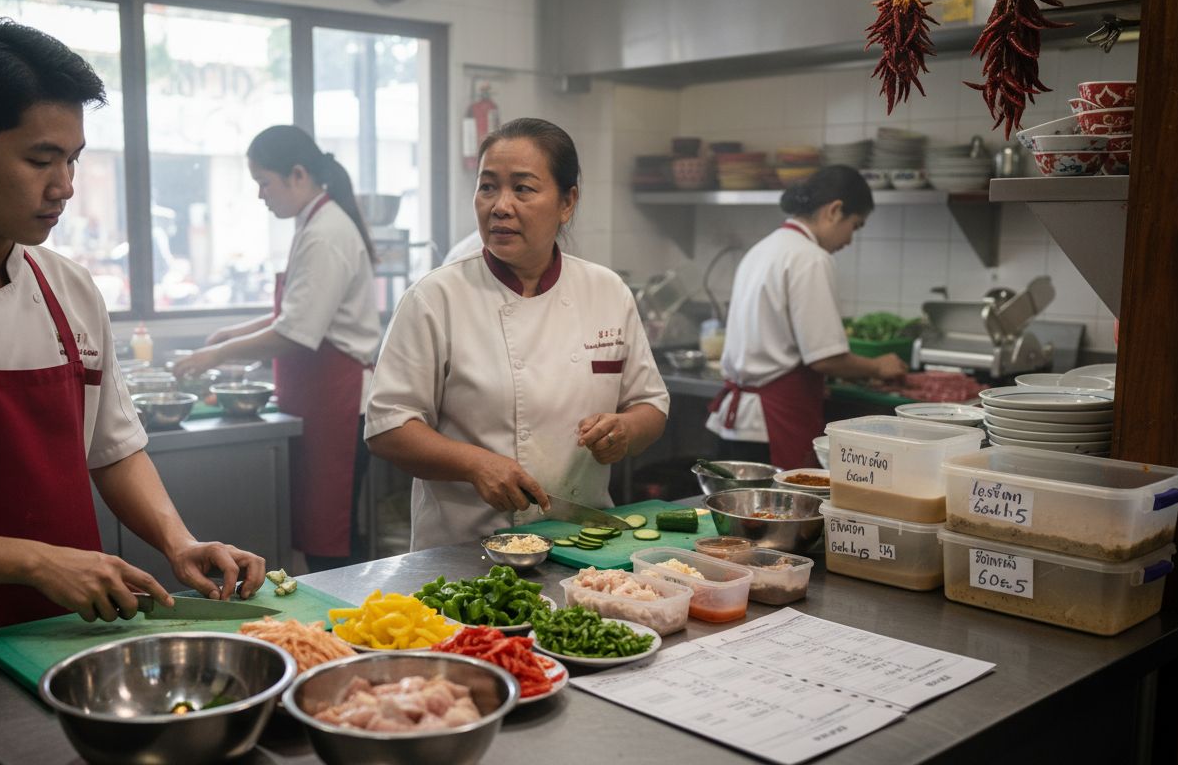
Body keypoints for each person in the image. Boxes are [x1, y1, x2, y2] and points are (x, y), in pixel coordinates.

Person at [0, 20, 266, 761]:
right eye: (40, 159)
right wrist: (35, 560)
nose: (65, 188)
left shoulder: (70, 287)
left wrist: (178, 543)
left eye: (74, 160)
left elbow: (113, 448)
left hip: (77, 643)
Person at [364, 117, 670, 550]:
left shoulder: (606, 291)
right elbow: (387, 427)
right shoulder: (435, 297)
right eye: (488, 187)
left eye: (522, 188)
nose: (500, 205)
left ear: (567, 202)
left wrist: (625, 430)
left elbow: (650, 406)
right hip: (464, 550)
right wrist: (476, 464)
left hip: (582, 544)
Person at [171, 125, 380, 572]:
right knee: (320, 533)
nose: (261, 195)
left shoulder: (326, 232)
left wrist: (216, 355)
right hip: (320, 396)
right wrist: (234, 334)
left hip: (339, 402)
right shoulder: (315, 223)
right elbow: (298, 314)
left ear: (298, 174)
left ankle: (349, 630)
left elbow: (297, 332)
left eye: (264, 182)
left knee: (333, 541)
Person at [706, 165, 907, 469]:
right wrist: (878, 366)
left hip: (742, 422)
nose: (850, 240)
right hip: (772, 426)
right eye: (855, 225)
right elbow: (825, 358)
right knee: (771, 515)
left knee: (742, 515)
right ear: (835, 210)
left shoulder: (764, 248)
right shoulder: (810, 257)